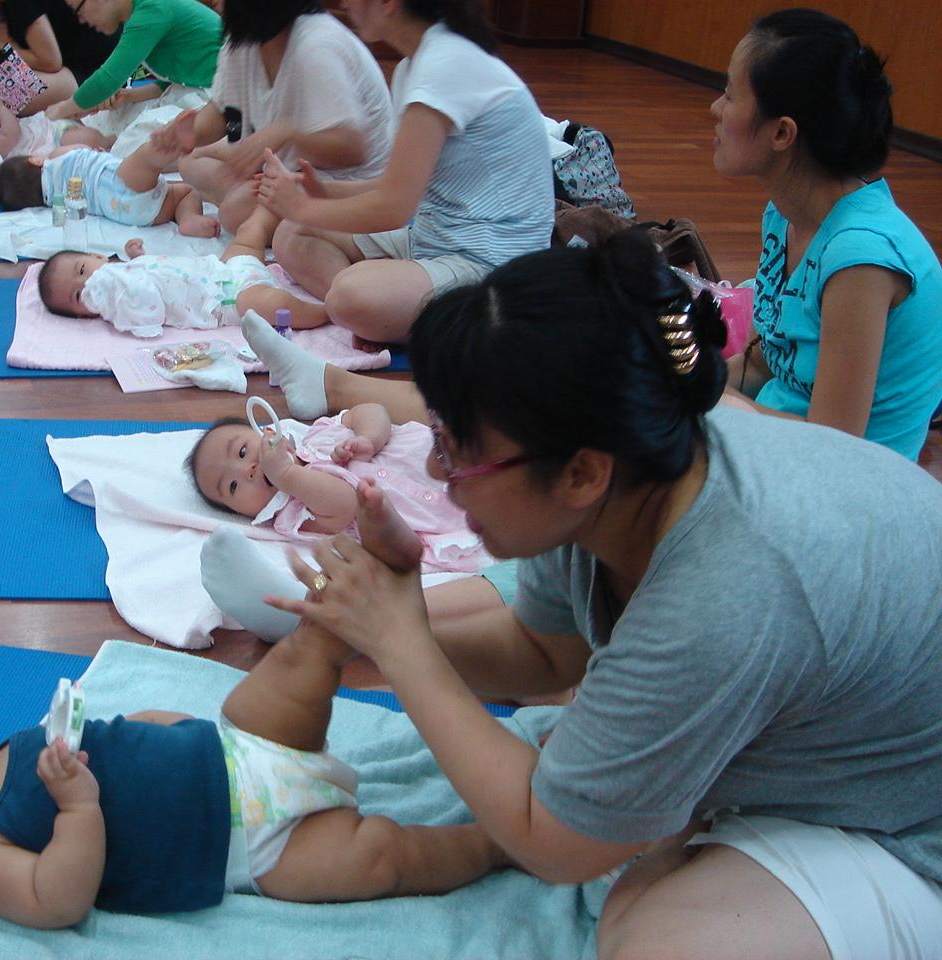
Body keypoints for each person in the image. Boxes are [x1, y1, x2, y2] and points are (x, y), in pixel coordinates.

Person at [255, 227, 942, 959]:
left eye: (460, 453)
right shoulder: (627, 461)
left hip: (910, 824)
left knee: (649, 937)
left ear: (581, 474)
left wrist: (400, 643)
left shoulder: (723, 588)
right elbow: (543, 654)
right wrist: (386, 623)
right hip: (832, 740)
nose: (432, 471)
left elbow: (555, 846)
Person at [0, 627, 509, 928]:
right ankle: (498, 843)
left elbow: (110, 732)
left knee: (288, 673)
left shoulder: (19, 744)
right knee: (382, 859)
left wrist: (155, 723)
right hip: (251, 850)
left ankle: (333, 619)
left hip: (238, 754)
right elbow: (58, 900)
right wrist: (78, 811)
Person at [255, 0, 553, 346]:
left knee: (352, 293)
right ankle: (380, 313)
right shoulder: (415, 66)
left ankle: (376, 310)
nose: (345, 3)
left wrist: (301, 205)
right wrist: (322, 191)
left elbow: (394, 207)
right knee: (292, 234)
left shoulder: (445, 63)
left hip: (494, 267)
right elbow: (401, 184)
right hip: (435, 239)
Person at [713, 10, 942, 460]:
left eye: (729, 93)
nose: (715, 109)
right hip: (782, 445)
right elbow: (762, 364)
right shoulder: (782, 216)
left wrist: (709, 408)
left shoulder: (861, 258)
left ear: (782, 132)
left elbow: (835, 446)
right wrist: (680, 385)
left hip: (848, 491)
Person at [161, 0, 392, 247]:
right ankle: (249, 197)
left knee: (233, 213)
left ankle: (256, 206)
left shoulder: (317, 46)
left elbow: (352, 149)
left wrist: (288, 133)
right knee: (189, 162)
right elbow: (223, 113)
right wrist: (183, 134)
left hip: (346, 183)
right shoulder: (244, 40)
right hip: (284, 166)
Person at [189, 400, 482, 568]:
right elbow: (346, 503)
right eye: (232, 487)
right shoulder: (293, 516)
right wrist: (286, 477)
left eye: (242, 452)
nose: (248, 470)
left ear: (265, 431)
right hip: (442, 512)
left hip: (439, 453)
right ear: (241, 514)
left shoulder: (319, 433)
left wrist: (369, 437)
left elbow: (370, 409)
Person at [0, 110, 218, 236]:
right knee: (143, 159)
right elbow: (82, 151)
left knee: (185, 192)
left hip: (128, 214)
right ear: (36, 160)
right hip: (116, 181)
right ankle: (164, 145)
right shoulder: (55, 158)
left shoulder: (56, 202)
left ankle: (187, 219)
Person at [38, 240, 327, 332]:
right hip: (229, 301)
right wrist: (116, 289)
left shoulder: (124, 268)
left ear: (97, 257)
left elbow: (157, 270)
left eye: (83, 270)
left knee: (245, 241)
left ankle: (268, 210)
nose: (89, 284)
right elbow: (150, 309)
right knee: (270, 307)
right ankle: (325, 313)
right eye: (80, 295)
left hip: (223, 268)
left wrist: (139, 257)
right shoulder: (120, 308)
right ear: (83, 315)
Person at [42, 0, 221, 122]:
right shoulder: (142, 12)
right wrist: (131, 95)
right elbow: (179, 76)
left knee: (142, 135)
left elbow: (109, 78)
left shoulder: (152, 10)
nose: (81, 20)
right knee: (113, 117)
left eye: (78, 10)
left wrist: (62, 109)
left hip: (217, 94)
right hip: (202, 86)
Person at [0, 0, 120, 107]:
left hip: (98, 69)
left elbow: (50, 62)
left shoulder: (16, 4)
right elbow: (31, 54)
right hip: (97, 57)